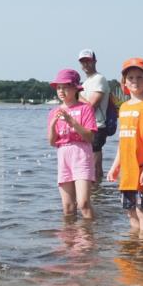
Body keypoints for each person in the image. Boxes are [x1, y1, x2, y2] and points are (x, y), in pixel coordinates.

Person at [107, 58, 143, 239]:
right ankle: (134, 247)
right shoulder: (123, 108)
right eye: (130, 77)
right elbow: (123, 141)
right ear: (124, 82)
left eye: (140, 77)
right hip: (127, 171)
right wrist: (115, 166)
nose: (135, 81)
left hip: (142, 168)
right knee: (130, 211)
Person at [47, 68, 97, 218]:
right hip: (63, 155)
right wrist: (52, 125)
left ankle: (89, 237)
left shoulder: (85, 108)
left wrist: (71, 121)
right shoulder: (54, 112)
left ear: (75, 88)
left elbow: (90, 137)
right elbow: (52, 142)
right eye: (59, 87)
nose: (61, 91)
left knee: (83, 203)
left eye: (66, 87)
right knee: (68, 207)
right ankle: (69, 237)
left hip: (81, 153)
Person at [78, 49, 109, 182]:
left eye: (88, 61)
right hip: (86, 126)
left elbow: (91, 105)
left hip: (98, 126)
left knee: (95, 166)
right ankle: (97, 193)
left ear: (94, 61)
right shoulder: (85, 82)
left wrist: (76, 95)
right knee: (89, 165)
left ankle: (97, 193)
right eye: (83, 61)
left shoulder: (99, 79)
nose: (85, 64)